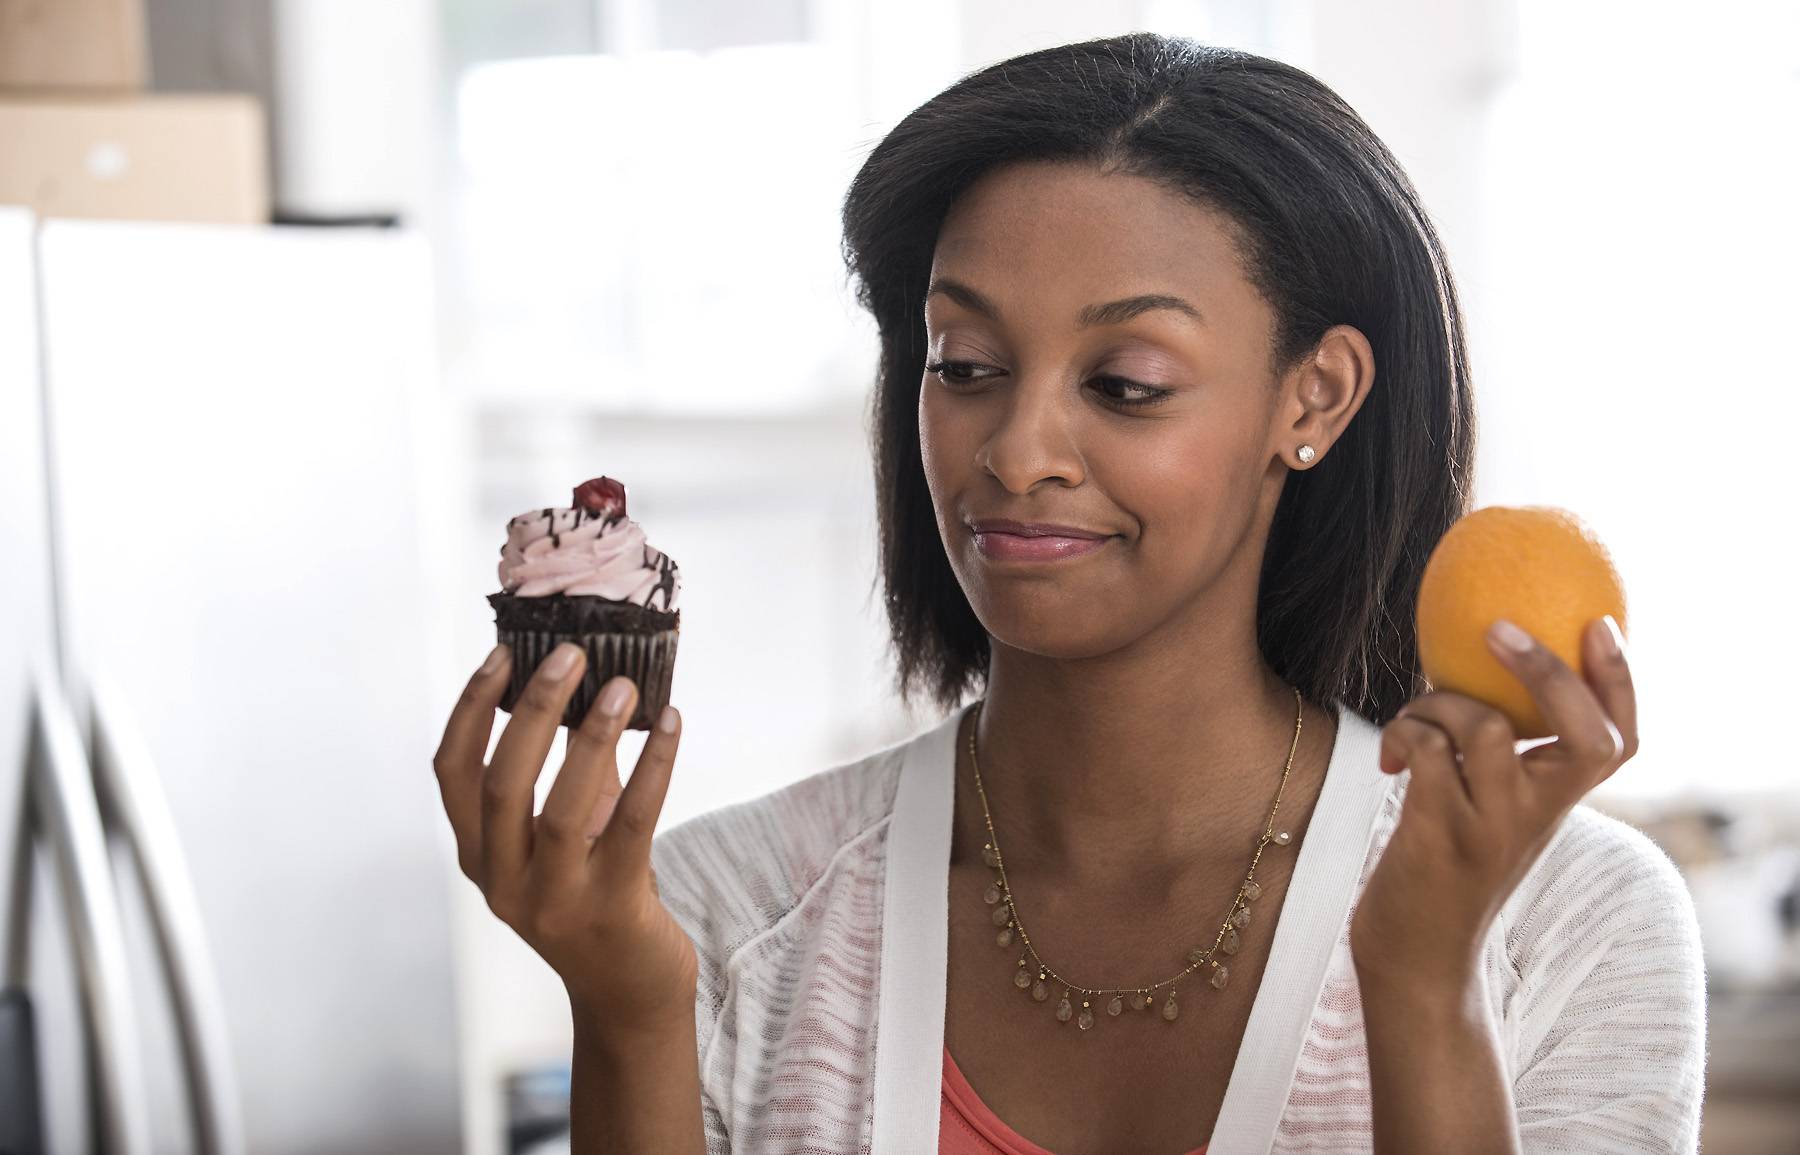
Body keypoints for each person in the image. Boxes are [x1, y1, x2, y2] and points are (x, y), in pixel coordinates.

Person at [432, 32, 1707, 1155]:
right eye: (969, 363)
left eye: (1127, 382)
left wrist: (1424, 986)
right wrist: (629, 1010)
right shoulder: (720, 919)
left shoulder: (1564, 924)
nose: (1015, 450)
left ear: (1312, 398)